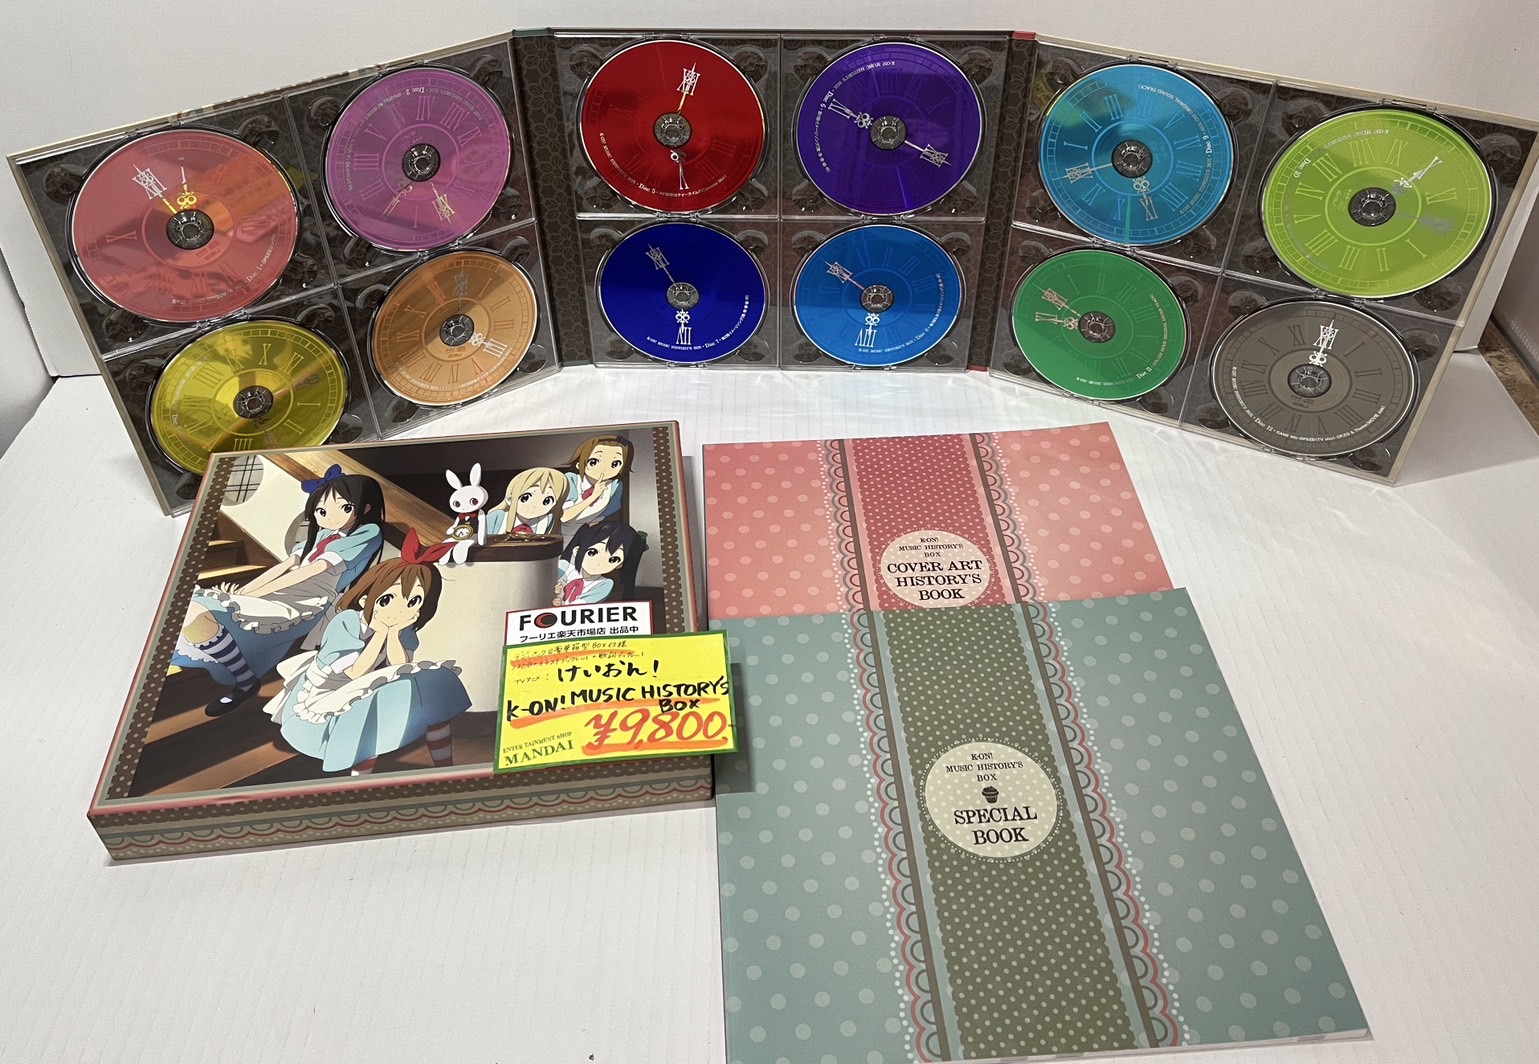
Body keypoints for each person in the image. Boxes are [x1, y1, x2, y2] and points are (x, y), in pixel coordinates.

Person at [174, 465, 384, 714]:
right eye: (322, 510)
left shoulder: (369, 532)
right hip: (287, 589)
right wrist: (244, 591)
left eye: (345, 507)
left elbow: (313, 570)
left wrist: (253, 595)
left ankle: (244, 682)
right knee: (197, 608)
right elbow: (288, 564)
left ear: (365, 508)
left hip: (308, 600)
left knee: (201, 612)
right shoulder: (322, 534)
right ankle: (244, 677)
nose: (330, 517)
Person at [265, 530, 472, 775]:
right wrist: (382, 631)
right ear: (366, 598)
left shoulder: (403, 628)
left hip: (363, 687)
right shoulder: (347, 621)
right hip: (323, 702)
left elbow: (401, 667)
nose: (400, 609)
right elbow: (355, 672)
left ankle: (445, 770)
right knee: (368, 713)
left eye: (413, 602)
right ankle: (359, 782)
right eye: (388, 599)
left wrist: (393, 632)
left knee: (435, 680)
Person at [554, 521, 646, 605]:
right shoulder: (563, 567)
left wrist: (560, 604)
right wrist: (551, 592)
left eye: (613, 559)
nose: (599, 562)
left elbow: (579, 607)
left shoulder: (604, 584)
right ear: (577, 551)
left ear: (619, 565)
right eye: (592, 552)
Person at [561, 434, 633, 529]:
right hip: (562, 531)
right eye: (594, 462)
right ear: (579, 464)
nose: (604, 469)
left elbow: (611, 509)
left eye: (615, 464)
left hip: (591, 529)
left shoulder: (615, 485)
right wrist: (594, 496)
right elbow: (564, 517)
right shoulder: (571, 479)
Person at [486, 466, 568, 536]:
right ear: (510, 499)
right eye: (525, 498)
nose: (535, 506)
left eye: (547, 501)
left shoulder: (547, 521)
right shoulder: (497, 517)